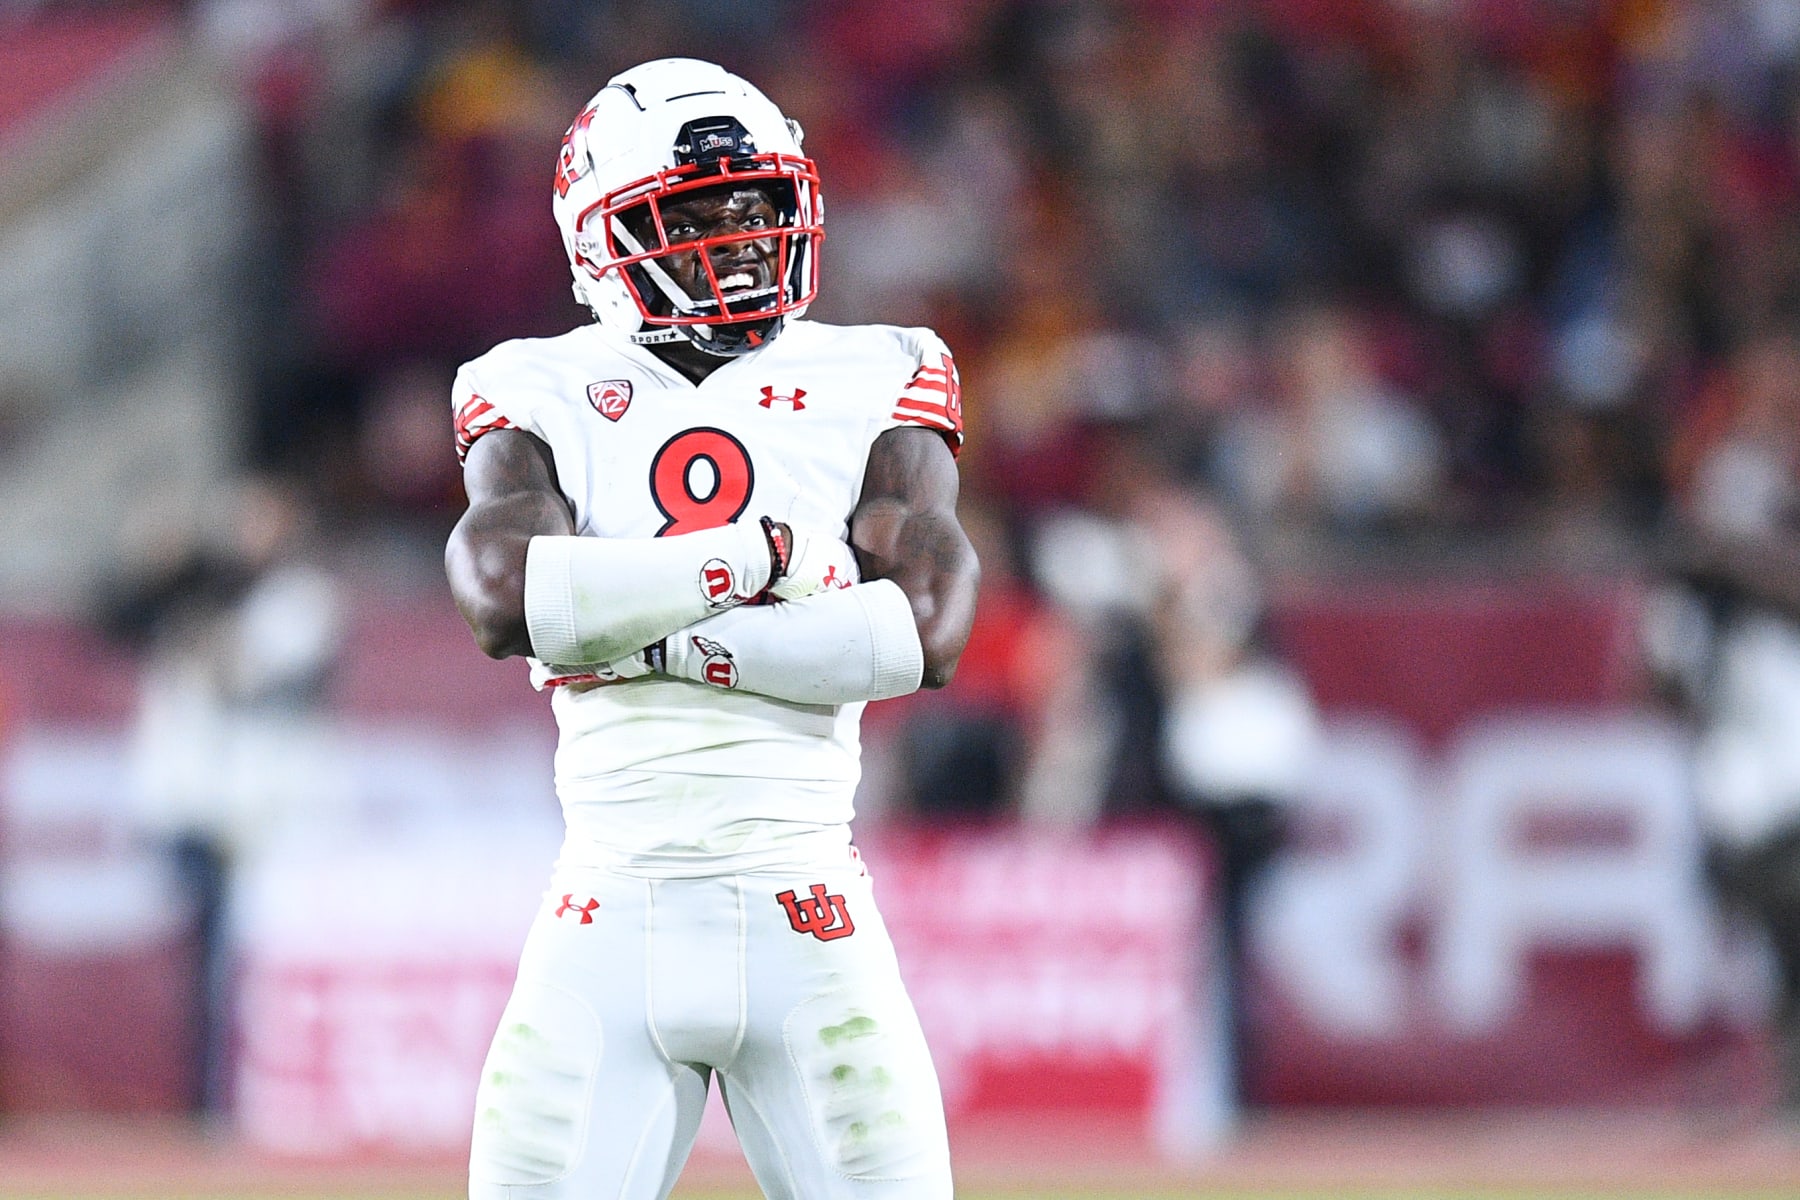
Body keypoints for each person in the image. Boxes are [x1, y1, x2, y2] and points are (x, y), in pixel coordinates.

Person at [444, 59, 977, 1199]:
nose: (738, 238)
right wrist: (765, 560)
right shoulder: (534, 383)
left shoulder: (879, 369)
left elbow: (925, 635)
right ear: (600, 238)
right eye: (693, 216)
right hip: (607, 918)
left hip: (809, 917)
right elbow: (505, 602)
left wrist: (652, 639)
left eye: (757, 205)